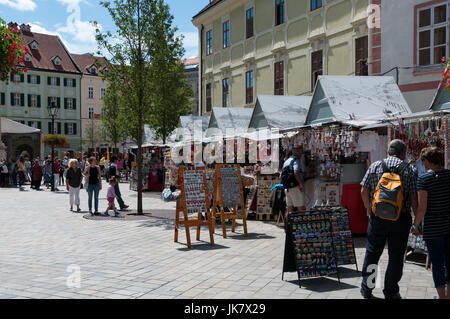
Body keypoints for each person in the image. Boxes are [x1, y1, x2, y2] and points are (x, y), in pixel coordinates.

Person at [360, 139, 418, 299]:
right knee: (396, 256)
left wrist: (369, 210)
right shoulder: (409, 169)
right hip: (400, 219)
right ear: (403, 153)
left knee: (372, 253)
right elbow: (414, 199)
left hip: (377, 218)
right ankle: (391, 291)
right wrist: (417, 221)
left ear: (388, 152)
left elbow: (363, 191)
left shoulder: (375, 166)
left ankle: (367, 288)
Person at [412, 147, 450, 299]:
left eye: (423, 161)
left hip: (433, 228)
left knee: (437, 264)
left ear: (427, 161)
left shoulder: (424, 179)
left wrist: (415, 225)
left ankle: (442, 296)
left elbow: (422, 208)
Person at [281, 145, 306, 219]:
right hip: (295, 187)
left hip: (287, 188)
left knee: (289, 209)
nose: (302, 154)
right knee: (300, 208)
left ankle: (288, 227)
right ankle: (301, 227)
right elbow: (296, 172)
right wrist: (300, 184)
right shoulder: (296, 160)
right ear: (298, 152)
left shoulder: (287, 160)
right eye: (301, 152)